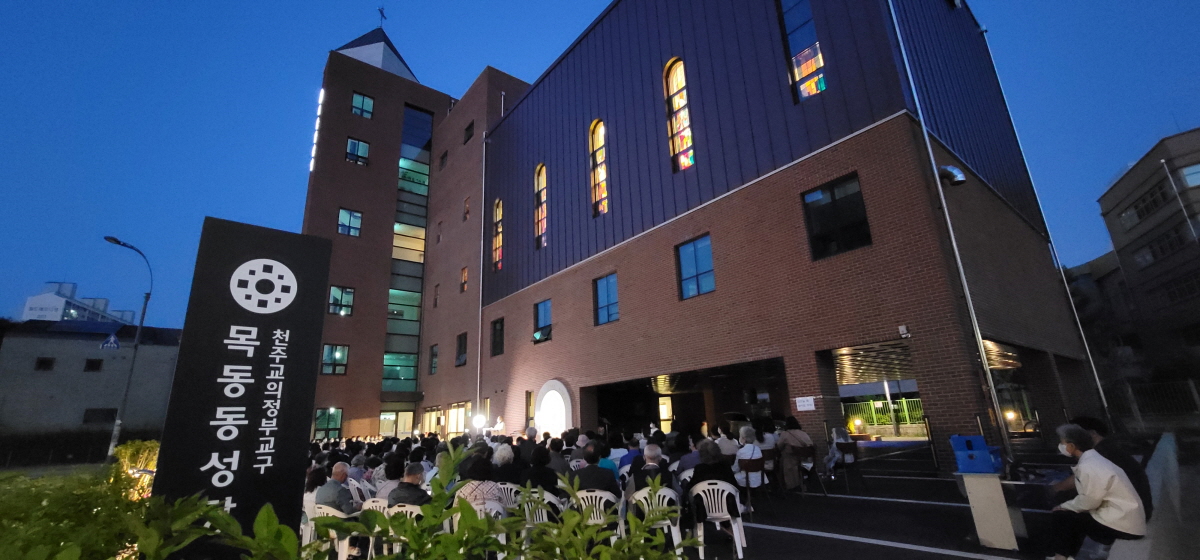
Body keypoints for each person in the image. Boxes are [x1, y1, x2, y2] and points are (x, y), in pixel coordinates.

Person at [1049, 424, 1145, 560]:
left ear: (1071, 446)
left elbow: (1090, 501)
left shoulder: (1089, 466)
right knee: (1073, 516)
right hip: (1125, 521)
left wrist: (1063, 506)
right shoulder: (1094, 460)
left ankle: (1061, 557)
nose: (1061, 446)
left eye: (1062, 443)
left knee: (1062, 516)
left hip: (1124, 526)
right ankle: (1067, 555)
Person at [1068, 416, 1153, 521]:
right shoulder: (1110, 447)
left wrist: (1054, 489)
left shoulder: (1103, 452)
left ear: (1092, 433)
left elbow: (1078, 479)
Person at [776, 417, 815, 491]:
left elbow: (779, 447)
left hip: (792, 463)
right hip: (807, 462)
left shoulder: (785, 434)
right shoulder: (803, 433)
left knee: (782, 460)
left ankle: (787, 486)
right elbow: (811, 445)